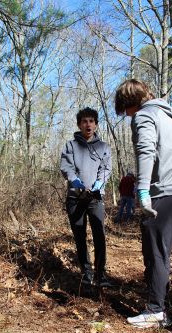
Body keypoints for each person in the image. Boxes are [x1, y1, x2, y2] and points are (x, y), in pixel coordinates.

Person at [115, 79, 172, 328]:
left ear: (130, 102)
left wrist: (142, 189)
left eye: (125, 110)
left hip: (167, 193)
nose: (126, 115)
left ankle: (156, 311)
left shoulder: (144, 115)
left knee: (157, 253)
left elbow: (146, 151)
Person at [60, 107, 112, 287]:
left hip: (95, 197)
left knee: (99, 234)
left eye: (91, 121)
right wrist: (75, 182)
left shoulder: (104, 147)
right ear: (79, 124)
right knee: (79, 236)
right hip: (75, 197)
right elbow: (66, 167)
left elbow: (106, 168)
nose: (88, 124)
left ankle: (101, 274)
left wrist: (99, 183)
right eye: (84, 121)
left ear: (96, 125)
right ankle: (86, 273)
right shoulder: (70, 145)